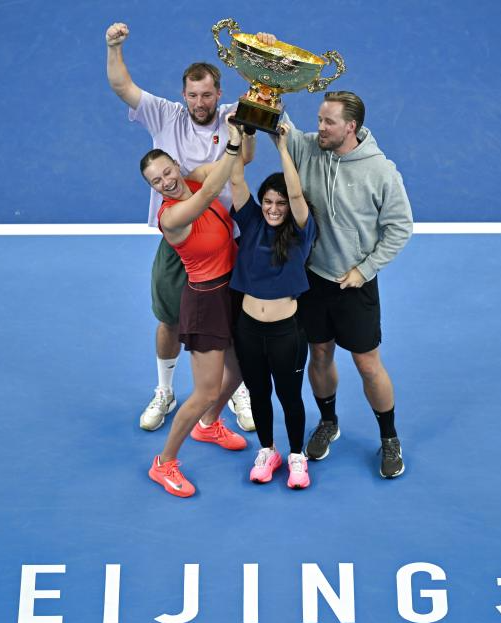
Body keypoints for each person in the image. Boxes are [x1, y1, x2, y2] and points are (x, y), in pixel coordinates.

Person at [105, 21, 255, 434]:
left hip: (227, 237)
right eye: (193, 95)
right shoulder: (165, 115)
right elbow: (121, 86)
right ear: (183, 94)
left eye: (207, 94)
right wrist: (114, 47)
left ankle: (235, 389)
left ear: (218, 93)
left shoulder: (232, 116)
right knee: (169, 320)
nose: (199, 102)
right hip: (181, 245)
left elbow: (247, 155)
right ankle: (165, 390)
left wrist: (263, 64)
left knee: (231, 320)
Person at [282, 90, 414, 479]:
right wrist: (267, 79)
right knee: (319, 353)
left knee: (367, 364)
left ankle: (389, 437)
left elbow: (400, 227)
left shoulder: (381, 171)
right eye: (319, 120)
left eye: (328, 122)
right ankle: (328, 422)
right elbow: (273, 120)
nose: (320, 127)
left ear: (350, 127)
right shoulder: (308, 148)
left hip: (354, 283)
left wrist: (366, 268)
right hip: (313, 279)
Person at [140, 116, 248, 497]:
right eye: (156, 181)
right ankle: (164, 462)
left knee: (239, 371)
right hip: (205, 302)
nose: (166, 182)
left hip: (232, 291)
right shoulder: (171, 217)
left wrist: (244, 134)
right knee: (204, 391)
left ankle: (209, 425)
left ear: (176, 165)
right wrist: (232, 143)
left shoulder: (197, 178)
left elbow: (228, 170)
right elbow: (209, 193)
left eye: (167, 172)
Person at [229, 124, 316, 489]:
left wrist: (282, 148)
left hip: (286, 333)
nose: (273, 208)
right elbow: (236, 180)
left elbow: (296, 193)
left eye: (280, 203)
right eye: (268, 201)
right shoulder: (251, 222)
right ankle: (267, 451)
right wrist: (236, 141)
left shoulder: (300, 230)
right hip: (248, 330)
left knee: (289, 396)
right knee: (259, 394)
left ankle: (296, 456)